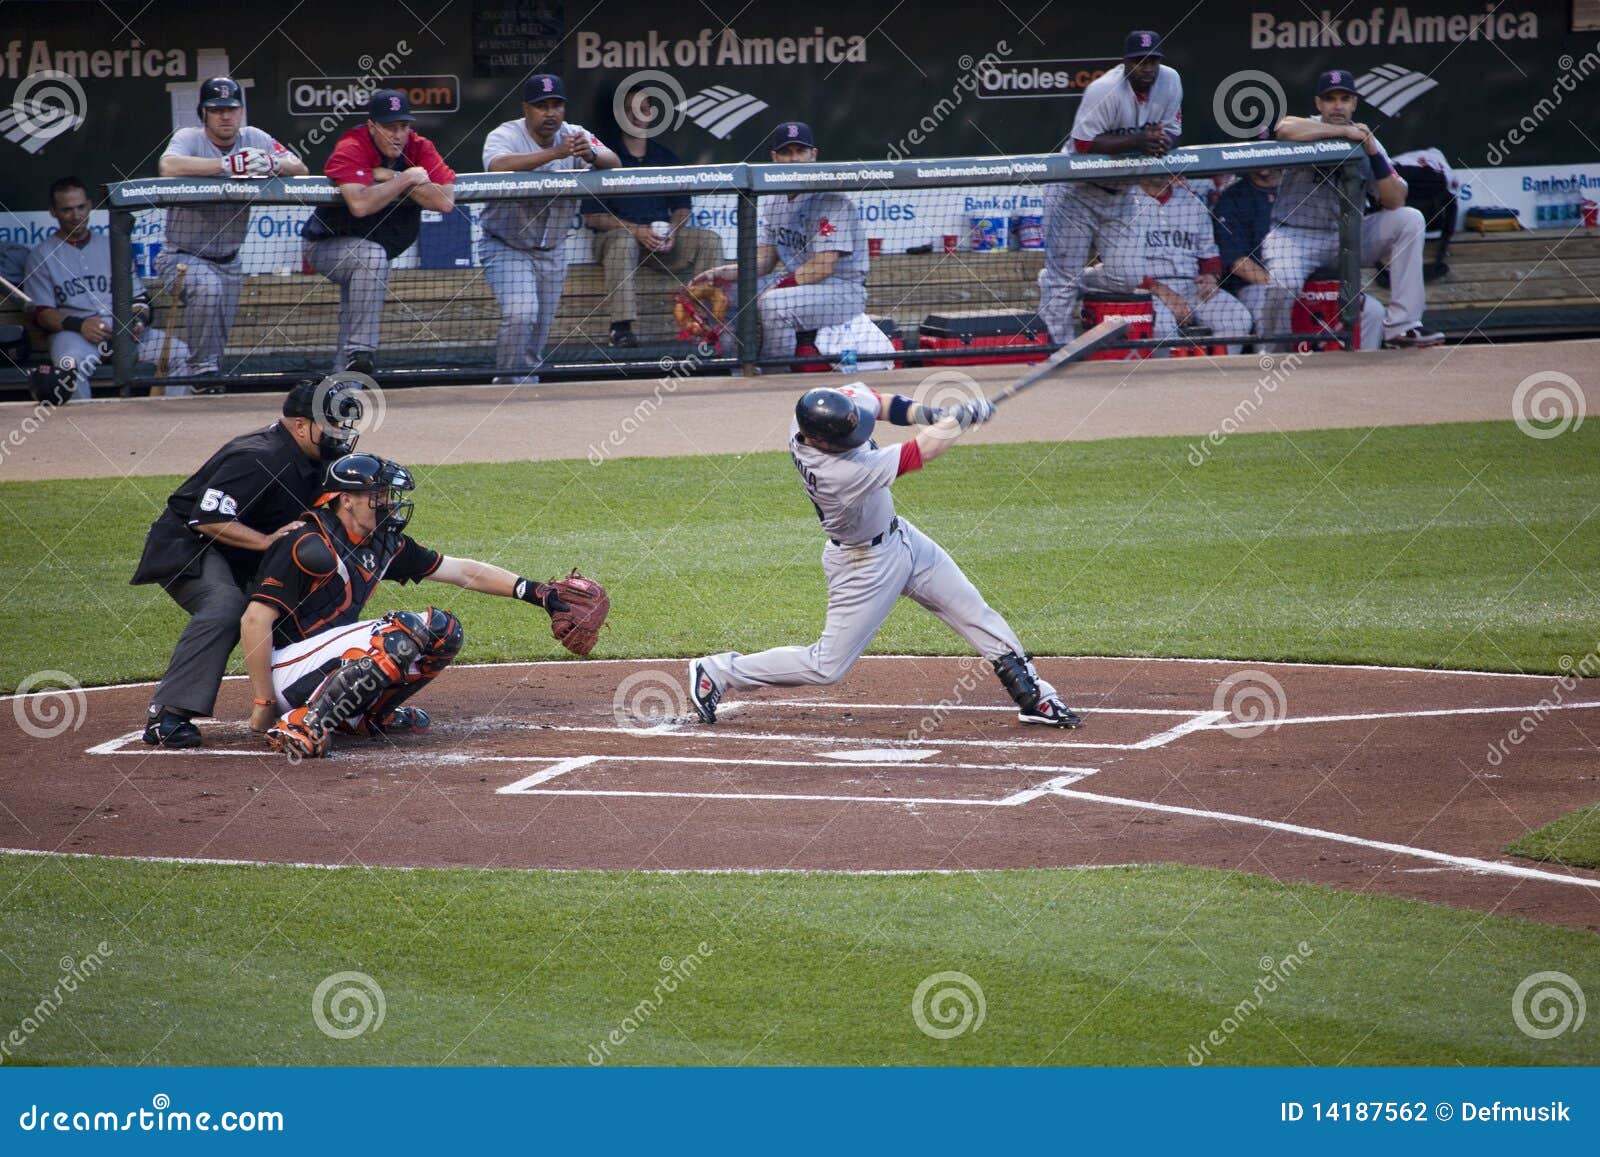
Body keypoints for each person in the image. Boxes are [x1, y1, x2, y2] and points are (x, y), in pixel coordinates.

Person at [689, 386, 1081, 730]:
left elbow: (880, 403)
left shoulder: (819, 409)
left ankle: (1034, 695)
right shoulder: (837, 473)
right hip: (863, 566)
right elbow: (919, 451)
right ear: (821, 442)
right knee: (827, 666)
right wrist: (960, 422)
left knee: (975, 611)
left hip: (903, 537)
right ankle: (719, 671)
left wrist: (937, 414)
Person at [240, 454, 599, 758]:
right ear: (345, 499)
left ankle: (364, 717)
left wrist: (538, 594)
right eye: (377, 495)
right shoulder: (306, 542)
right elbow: (254, 620)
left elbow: (462, 571)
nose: (388, 503)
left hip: (323, 664)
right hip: (283, 672)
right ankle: (304, 722)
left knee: (443, 630)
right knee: (403, 632)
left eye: (387, 494)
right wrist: (263, 703)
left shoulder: (382, 544)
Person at [130, 379, 365, 747]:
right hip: (190, 547)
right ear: (302, 425)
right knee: (225, 606)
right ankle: (168, 715)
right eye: (332, 425)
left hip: (242, 552)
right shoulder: (258, 457)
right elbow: (206, 517)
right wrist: (266, 541)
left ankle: (320, 702)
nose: (340, 434)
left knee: (301, 600)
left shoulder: (314, 457)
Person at [1260, 70, 1443, 349]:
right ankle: (1272, 350)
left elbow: (1395, 200)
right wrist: (1344, 132)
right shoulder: (1307, 127)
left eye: (1345, 98)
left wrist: (1372, 152)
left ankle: (1402, 328)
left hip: (1348, 237)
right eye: (1330, 99)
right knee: (1283, 281)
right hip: (1295, 237)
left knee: (1409, 219)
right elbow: (1284, 127)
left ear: (1354, 103)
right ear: (1319, 104)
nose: (1337, 105)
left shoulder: (1366, 138)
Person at [157, 76, 307, 391]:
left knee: (217, 343)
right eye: (216, 109)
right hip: (183, 257)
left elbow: (300, 167)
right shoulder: (189, 137)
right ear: (204, 113)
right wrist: (225, 165)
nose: (225, 115)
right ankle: (199, 375)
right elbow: (168, 166)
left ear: (240, 111)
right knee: (207, 292)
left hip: (229, 260)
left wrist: (271, 162)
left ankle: (203, 389)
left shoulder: (254, 137)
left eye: (232, 108)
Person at [1039, 30, 1182, 343]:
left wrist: (1162, 142)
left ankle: (1062, 280)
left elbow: (1173, 131)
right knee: (1062, 285)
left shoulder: (1170, 81)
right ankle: (1056, 352)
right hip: (1077, 191)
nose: (1147, 67)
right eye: (1139, 60)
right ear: (1125, 62)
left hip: (1121, 193)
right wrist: (1138, 141)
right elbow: (1083, 143)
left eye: (1153, 60)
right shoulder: (1103, 89)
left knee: (1126, 275)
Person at [302, 89, 457, 374]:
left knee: (367, 271)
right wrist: (406, 179)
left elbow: (445, 201)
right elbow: (360, 204)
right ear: (372, 126)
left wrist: (393, 178)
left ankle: (342, 383)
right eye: (389, 127)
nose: (398, 134)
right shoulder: (352, 145)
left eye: (403, 126)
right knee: (371, 258)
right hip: (327, 244)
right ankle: (361, 353)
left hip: (374, 249)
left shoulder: (419, 146)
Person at [481, 74, 619, 383]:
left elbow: (615, 163)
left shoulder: (574, 134)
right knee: (521, 313)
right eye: (542, 106)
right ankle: (504, 384)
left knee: (539, 329)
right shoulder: (506, 134)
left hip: (552, 250)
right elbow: (497, 165)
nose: (551, 113)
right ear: (526, 109)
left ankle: (526, 387)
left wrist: (592, 154)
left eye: (557, 105)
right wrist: (555, 154)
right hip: (507, 245)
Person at [692, 121, 867, 365]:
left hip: (842, 291)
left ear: (813, 155)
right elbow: (763, 261)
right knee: (728, 293)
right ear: (775, 157)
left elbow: (823, 266)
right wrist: (719, 274)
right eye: (786, 152)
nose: (794, 159)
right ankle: (735, 365)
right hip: (800, 285)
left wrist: (780, 286)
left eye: (800, 151)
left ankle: (776, 372)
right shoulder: (774, 199)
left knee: (775, 304)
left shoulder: (831, 198)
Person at [22, 176, 191, 401]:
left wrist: (137, 320)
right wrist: (81, 325)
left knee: (180, 353)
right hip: (74, 336)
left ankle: (171, 420)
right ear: (53, 211)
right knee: (69, 367)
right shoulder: (41, 255)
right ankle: (84, 432)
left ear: (90, 205)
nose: (76, 216)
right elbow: (42, 313)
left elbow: (140, 298)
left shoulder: (113, 245)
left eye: (81, 207)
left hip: (123, 332)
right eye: (67, 210)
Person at [580, 87, 723, 349]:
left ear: (651, 115)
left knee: (709, 240)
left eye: (643, 109)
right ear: (620, 116)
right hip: (618, 242)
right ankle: (621, 329)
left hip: (661, 241)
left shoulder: (664, 157)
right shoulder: (605, 157)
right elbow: (592, 216)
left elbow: (682, 208)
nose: (637, 116)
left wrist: (673, 231)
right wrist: (638, 231)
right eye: (630, 110)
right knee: (623, 241)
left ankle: (703, 324)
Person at [1083, 174, 1253, 353]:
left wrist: (1211, 277)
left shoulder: (1192, 202)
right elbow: (1116, 267)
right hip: (1144, 288)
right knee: (1162, 326)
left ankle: (1219, 377)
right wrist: (1158, 289)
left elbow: (1209, 256)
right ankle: (1167, 380)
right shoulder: (1122, 203)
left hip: (1191, 286)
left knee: (1237, 317)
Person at [1211, 168, 1280, 328]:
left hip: (1303, 280)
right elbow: (1237, 262)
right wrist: (1281, 286)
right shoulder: (1233, 198)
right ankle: (1270, 354)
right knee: (1266, 308)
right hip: (1254, 285)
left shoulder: (1297, 190)